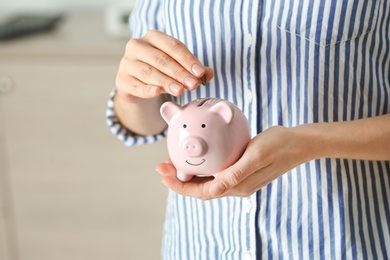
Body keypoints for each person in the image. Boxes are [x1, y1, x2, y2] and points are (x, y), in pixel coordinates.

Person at [106, 0, 390, 259]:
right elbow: (146, 120)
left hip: (342, 242)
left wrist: (309, 142)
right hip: (200, 244)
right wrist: (132, 93)